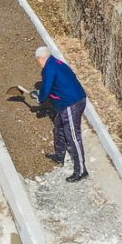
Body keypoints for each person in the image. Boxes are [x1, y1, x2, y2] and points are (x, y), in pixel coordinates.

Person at [36, 46, 90, 182]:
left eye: (38, 60)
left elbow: (46, 89)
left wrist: (40, 97)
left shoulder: (49, 69)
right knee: (59, 126)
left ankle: (81, 171)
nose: (38, 63)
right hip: (72, 100)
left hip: (71, 103)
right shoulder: (56, 62)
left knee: (73, 136)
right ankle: (59, 156)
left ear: (41, 59)